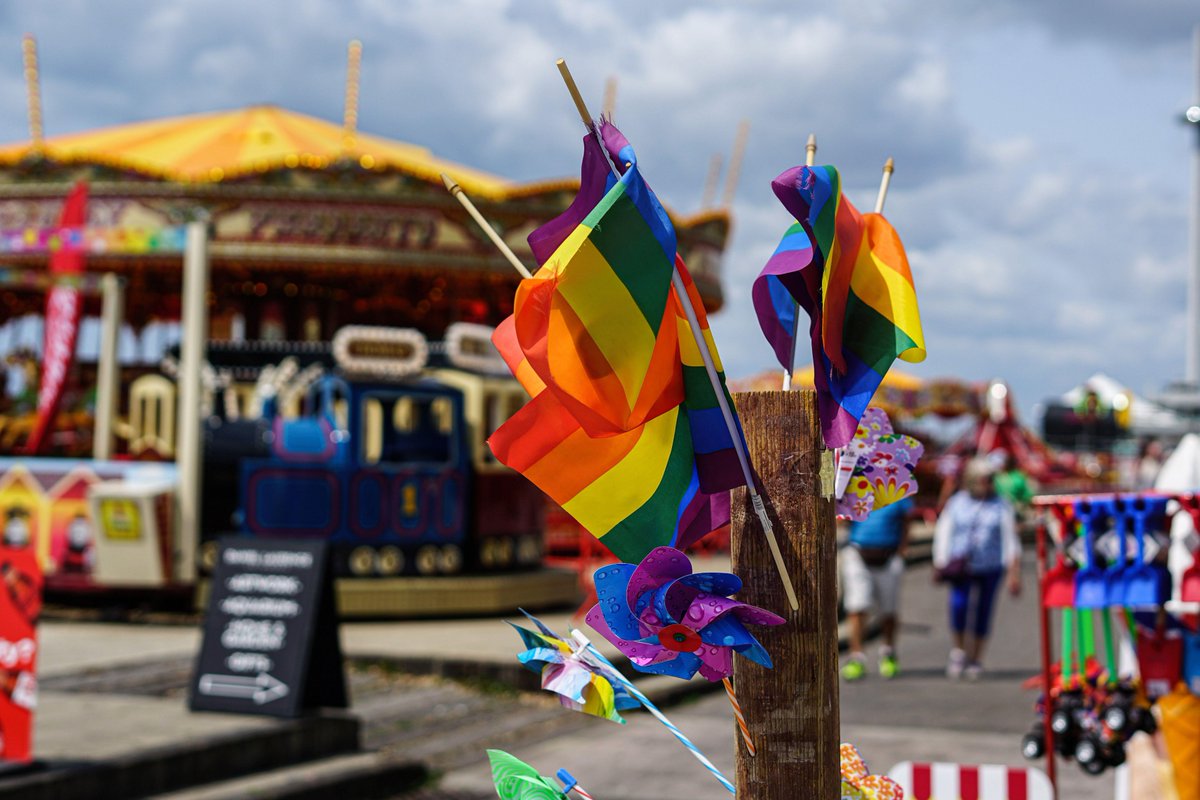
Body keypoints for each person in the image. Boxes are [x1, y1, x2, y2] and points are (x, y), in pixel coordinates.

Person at [932, 458, 1020, 680]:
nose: (987, 484)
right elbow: (944, 532)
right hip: (962, 564)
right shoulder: (957, 502)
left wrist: (1014, 573)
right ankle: (959, 650)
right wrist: (940, 562)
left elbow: (1010, 540)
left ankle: (976, 657)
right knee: (959, 606)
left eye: (990, 480)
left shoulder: (1002, 505)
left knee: (984, 611)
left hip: (990, 565)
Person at [840, 496, 912, 681]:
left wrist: (903, 548)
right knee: (857, 607)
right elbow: (841, 520)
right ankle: (856, 656)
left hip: (889, 555)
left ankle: (888, 652)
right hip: (858, 553)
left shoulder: (898, 488)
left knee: (889, 610)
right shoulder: (854, 488)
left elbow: (906, 519)